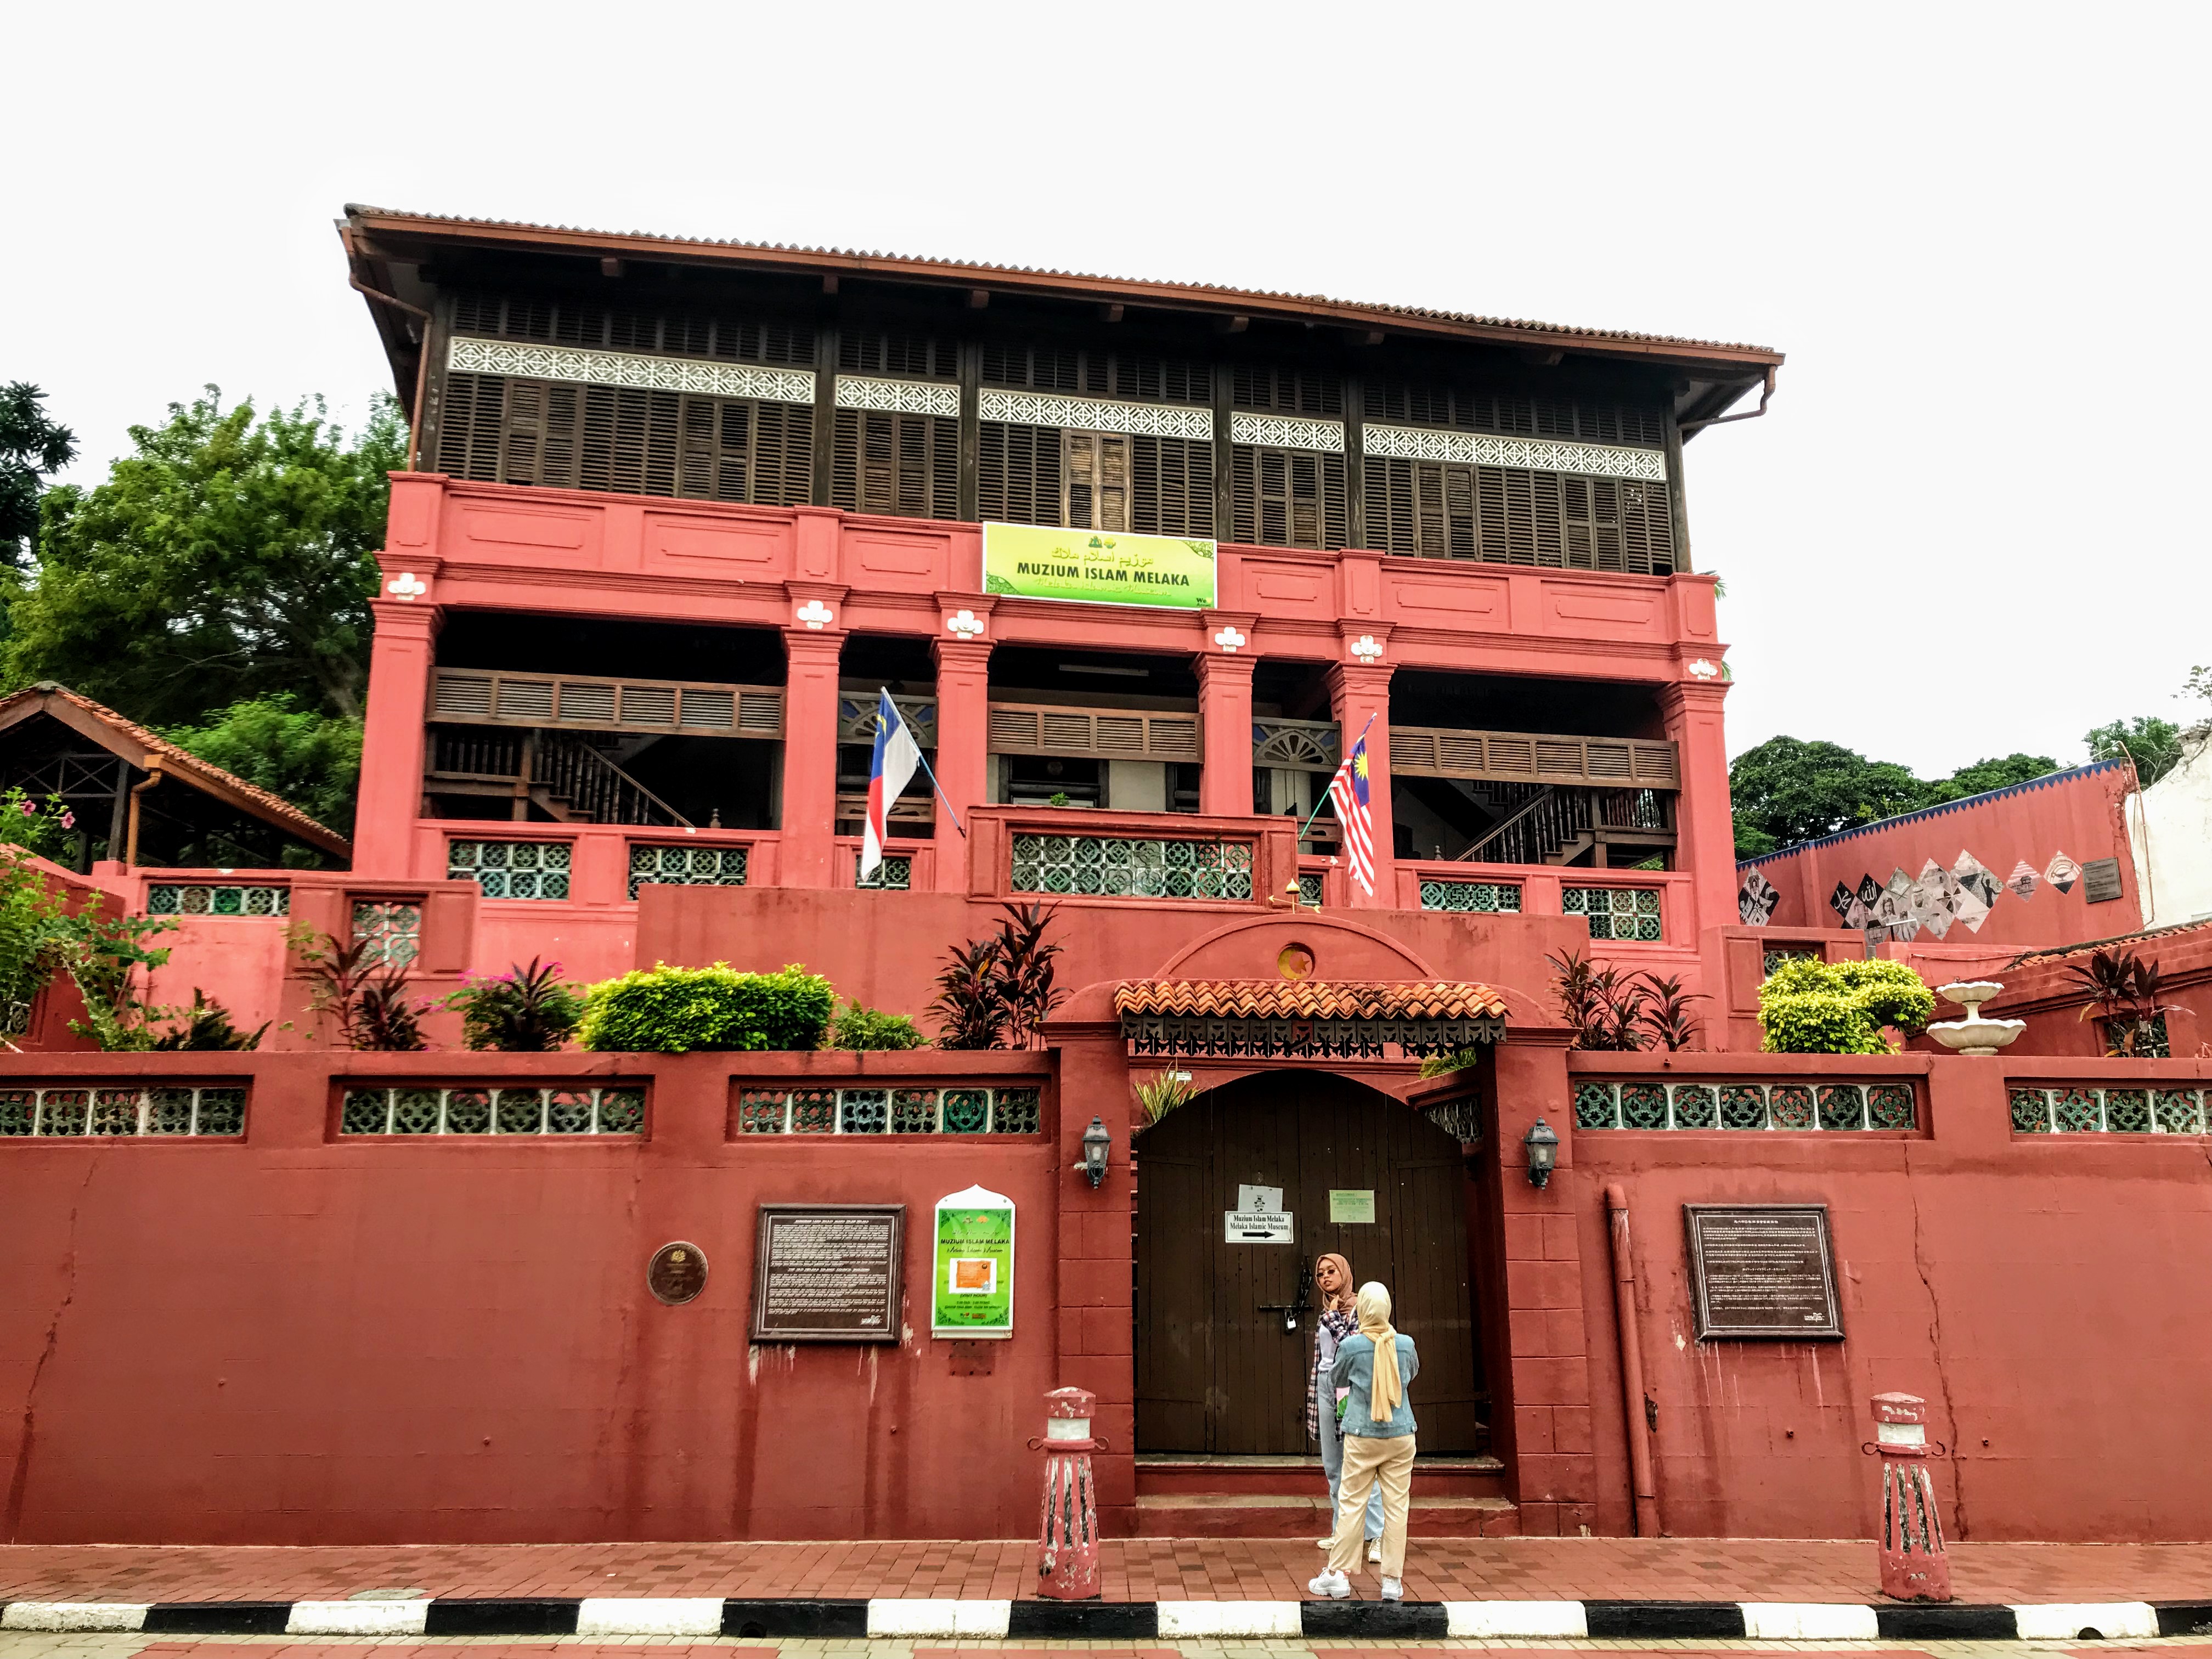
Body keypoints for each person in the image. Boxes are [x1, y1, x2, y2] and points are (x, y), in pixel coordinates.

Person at [1308, 1281, 1418, 1602]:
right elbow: (1410, 1375)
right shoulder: (1406, 1344)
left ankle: (1338, 1577)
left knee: (1352, 1503)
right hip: (1401, 1434)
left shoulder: (1353, 1346)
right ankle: (1392, 1581)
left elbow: (1338, 1379)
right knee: (1397, 1508)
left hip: (1362, 1435)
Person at [1308, 1252, 1384, 1562]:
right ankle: (1342, 1532)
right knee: (1333, 1464)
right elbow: (1322, 1358)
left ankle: (1376, 1535)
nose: (1326, 1277)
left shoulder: (1358, 1308)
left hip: (1350, 1390)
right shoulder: (1328, 1310)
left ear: (1344, 1274)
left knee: (1361, 1461)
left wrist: (1333, 1318)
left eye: (1331, 1272)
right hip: (1326, 1386)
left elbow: (1352, 1348)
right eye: (1321, 1274)